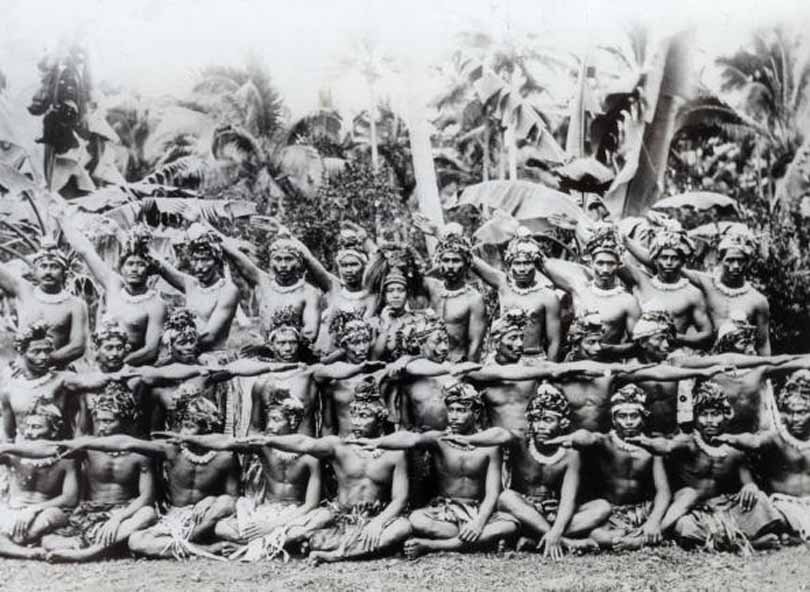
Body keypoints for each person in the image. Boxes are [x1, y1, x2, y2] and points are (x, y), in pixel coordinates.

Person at [250, 382, 412, 564]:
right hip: (340, 517)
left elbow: (400, 499)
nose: (357, 422)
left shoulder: (395, 454)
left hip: (376, 517)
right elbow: (305, 443)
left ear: (379, 419)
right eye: (355, 415)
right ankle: (360, 548)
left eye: (365, 416)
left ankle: (335, 554)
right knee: (301, 530)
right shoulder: (338, 446)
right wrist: (269, 440)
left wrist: (379, 522)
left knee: (403, 527)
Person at [62, 395, 240, 559]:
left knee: (225, 503)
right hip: (176, 518)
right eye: (183, 425)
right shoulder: (171, 450)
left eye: (191, 426)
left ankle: (190, 539)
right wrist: (83, 443)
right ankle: (202, 549)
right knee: (136, 542)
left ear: (207, 428)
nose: (184, 432)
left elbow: (233, 498)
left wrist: (210, 499)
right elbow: (128, 442)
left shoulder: (225, 457)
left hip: (208, 519)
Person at [162, 389, 331, 561]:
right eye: (269, 419)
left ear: (293, 421)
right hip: (265, 511)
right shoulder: (263, 446)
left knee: (324, 516)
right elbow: (228, 442)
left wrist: (272, 525)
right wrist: (191, 439)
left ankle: (250, 544)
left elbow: (310, 505)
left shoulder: (311, 457)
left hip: (293, 515)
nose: (270, 426)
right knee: (220, 527)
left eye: (276, 420)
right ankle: (273, 543)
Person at [361, 382, 519, 558]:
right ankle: (483, 541)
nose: (454, 417)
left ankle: (433, 545)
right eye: (451, 410)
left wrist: (479, 522)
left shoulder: (489, 446)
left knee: (509, 525)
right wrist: (377, 442)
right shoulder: (439, 439)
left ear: (475, 413)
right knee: (416, 520)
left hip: (479, 509)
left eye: (461, 411)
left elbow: (492, 493)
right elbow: (410, 439)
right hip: (446, 512)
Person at [628, 381, 782, 552]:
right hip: (695, 511)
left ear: (725, 415)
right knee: (684, 526)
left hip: (726, 509)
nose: (710, 421)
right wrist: (647, 443)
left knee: (761, 500)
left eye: (715, 414)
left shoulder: (733, 447)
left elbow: (747, 481)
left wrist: (750, 487)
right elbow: (667, 445)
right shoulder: (688, 442)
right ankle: (747, 543)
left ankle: (734, 540)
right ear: (695, 416)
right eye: (703, 414)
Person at [41, 386, 157, 562]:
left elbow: (146, 497)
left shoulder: (139, 452)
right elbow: (50, 450)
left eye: (109, 421)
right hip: (92, 511)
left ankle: (88, 552)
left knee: (148, 513)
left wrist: (118, 518)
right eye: (99, 420)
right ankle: (109, 545)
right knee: (48, 541)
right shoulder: (88, 446)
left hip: (124, 511)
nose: (102, 427)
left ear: (125, 421)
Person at [548, 385, 672, 550]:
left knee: (666, 522)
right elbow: (587, 437)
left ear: (643, 417)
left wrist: (654, 520)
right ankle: (631, 541)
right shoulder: (606, 441)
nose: (628, 422)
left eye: (634, 415)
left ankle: (635, 539)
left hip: (641, 510)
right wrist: (573, 438)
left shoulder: (651, 446)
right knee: (599, 536)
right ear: (613, 419)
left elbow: (663, 490)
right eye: (622, 416)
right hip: (611, 513)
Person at [627, 227, 770, 355]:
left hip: (742, 359)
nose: (736, 266)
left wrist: (765, 377)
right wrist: (625, 241)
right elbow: (663, 264)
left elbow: (763, 343)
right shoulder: (707, 283)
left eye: (741, 260)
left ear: (749, 262)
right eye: (730, 260)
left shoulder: (757, 300)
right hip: (710, 360)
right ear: (720, 259)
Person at [248, 311, 386, 438]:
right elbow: (255, 427)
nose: (288, 348)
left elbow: (334, 369)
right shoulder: (262, 382)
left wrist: (359, 368)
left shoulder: (310, 373)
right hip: (273, 453)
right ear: (271, 345)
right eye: (281, 343)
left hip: (305, 451)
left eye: (292, 342)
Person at [57, 214, 168, 366]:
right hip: (100, 364)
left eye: (140, 264)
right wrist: (62, 220)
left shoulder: (156, 304)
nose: (134, 269)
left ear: (149, 270)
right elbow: (85, 250)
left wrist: (119, 365)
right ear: (122, 267)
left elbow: (150, 349)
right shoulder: (114, 284)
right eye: (130, 264)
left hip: (133, 368)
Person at [716, 371, 810, 543]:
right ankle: (790, 533)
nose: (795, 418)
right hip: (783, 505)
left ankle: (794, 536)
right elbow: (754, 441)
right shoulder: (777, 436)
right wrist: (729, 438)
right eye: (791, 412)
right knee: (771, 514)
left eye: (803, 412)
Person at [0, 322, 135, 441]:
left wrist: (125, 374)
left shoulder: (62, 379)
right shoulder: (9, 389)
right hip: (24, 455)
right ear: (22, 353)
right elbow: (8, 435)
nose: (44, 357)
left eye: (47, 351)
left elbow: (92, 380)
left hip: (58, 454)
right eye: (36, 351)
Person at [541, 223, 640, 356]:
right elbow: (547, 265)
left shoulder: (628, 301)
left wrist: (608, 349)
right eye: (600, 263)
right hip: (574, 363)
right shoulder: (579, 289)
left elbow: (638, 346)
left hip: (605, 367)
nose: (605, 269)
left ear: (619, 264)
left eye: (611, 263)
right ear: (591, 263)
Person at [469, 227, 562, 361]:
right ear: (509, 266)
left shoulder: (548, 296)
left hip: (533, 359)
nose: (522, 269)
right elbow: (472, 260)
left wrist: (549, 374)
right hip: (503, 359)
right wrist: (442, 235)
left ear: (535, 264)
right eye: (517, 263)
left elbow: (554, 341)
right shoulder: (503, 284)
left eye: (527, 263)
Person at [0, 401, 78, 559]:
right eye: (27, 426)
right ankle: (26, 551)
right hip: (12, 510)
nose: (29, 433)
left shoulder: (66, 460)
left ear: (53, 431)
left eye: (37, 427)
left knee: (51, 516)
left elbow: (70, 499)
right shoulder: (12, 454)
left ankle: (14, 543)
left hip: (45, 511)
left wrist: (33, 510)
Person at [219, 228, 321, 344]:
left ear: (298, 262)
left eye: (288, 259)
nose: (283, 265)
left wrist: (271, 345)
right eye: (278, 259)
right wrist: (203, 223)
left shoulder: (309, 293)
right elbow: (236, 256)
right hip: (264, 355)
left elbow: (310, 334)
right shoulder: (263, 282)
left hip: (296, 356)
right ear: (271, 262)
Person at [0, 238, 88, 368]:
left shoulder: (75, 304)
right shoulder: (24, 290)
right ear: (35, 272)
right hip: (23, 370)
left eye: (54, 267)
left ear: (65, 273)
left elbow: (78, 346)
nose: (48, 272)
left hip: (56, 371)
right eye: (43, 266)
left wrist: (42, 361)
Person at [620, 227, 713, 350]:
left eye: (675, 258)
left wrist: (677, 338)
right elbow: (616, 262)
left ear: (683, 261)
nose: (669, 262)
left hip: (673, 354)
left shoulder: (692, 293)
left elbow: (707, 334)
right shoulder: (642, 281)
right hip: (640, 354)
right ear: (655, 259)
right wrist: (619, 238)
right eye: (664, 257)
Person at [153, 224, 240, 352]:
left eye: (205, 260)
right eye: (195, 259)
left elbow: (210, 336)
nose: (199, 266)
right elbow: (160, 265)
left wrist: (174, 343)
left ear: (217, 261)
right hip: (185, 350)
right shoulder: (191, 284)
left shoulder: (228, 291)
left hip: (212, 355)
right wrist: (125, 233)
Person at [298, 225, 378, 358]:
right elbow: (309, 259)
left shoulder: (372, 296)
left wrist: (366, 240)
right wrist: (285, 233)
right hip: (323, 356)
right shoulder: (333, 288)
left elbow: (383, 262)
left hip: (355, 358)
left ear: (364, 266)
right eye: (344, 265)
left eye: (354, 264)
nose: (348, 270)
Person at [414, 222, 487, 362]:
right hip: (428, 365)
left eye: (456, 261)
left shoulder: (474, 299)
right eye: (446, 260)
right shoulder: (432, 287)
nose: (450, 266)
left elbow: (475, 345)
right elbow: (406, 274)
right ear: (439, 262)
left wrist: (465, 373)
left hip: (456, 365)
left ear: (466, 263)